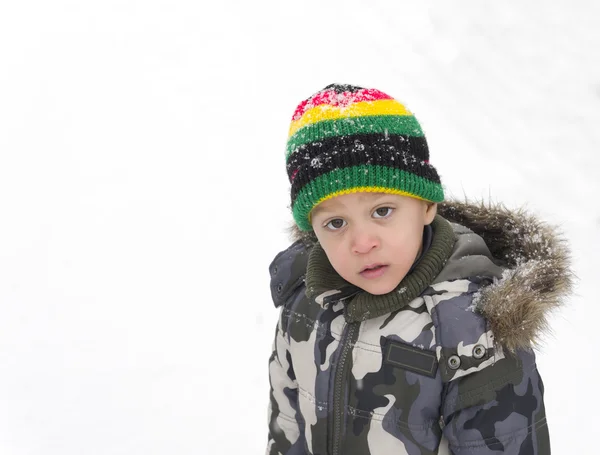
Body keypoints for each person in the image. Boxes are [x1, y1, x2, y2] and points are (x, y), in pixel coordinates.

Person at [266, 83, 573, 455]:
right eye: (335, 224)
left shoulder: (470, 332)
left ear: (427, 206)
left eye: (382, 211)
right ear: (311, 229)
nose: (362, 243)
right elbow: (287, 426)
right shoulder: (304, 304)